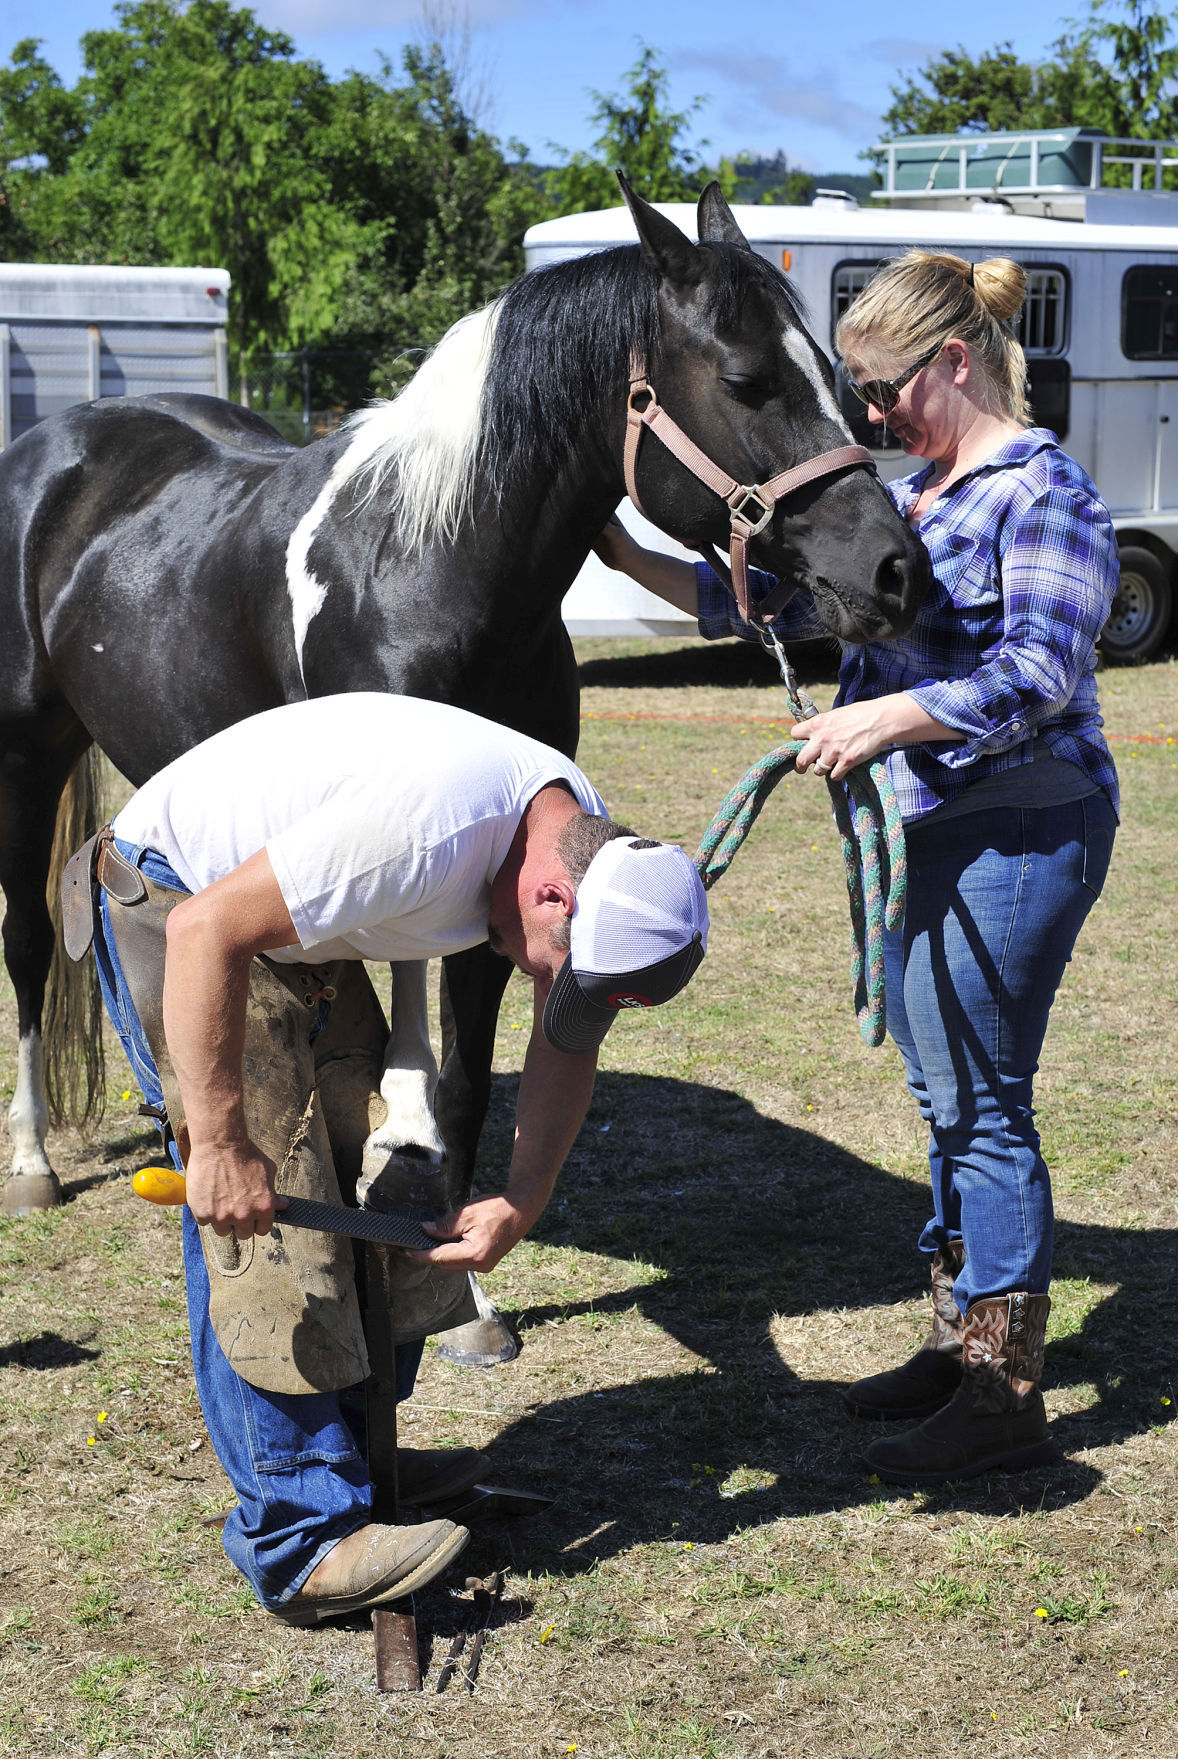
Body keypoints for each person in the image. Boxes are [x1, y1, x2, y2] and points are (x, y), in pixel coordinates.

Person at [594, 250, 1119, 1486]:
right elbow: (759, 612)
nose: (868, 416)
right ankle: (956, 1342)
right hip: (935, 822)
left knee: (985, 1106)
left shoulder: (1041, 493)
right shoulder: (921, 493)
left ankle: (1000, 1389)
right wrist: (621, 561)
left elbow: (1039, 672)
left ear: (951, 362)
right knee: (944, 1100)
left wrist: (881, 721)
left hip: (1023, 823)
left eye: (881, 389)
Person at [75, 692, 708, 1621]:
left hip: (278, 922)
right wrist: (215, 1143)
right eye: (551, 967)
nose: (543, 987)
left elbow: (566, 1046)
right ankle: (300, 1534)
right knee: (269, 1212)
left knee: (389, 1172)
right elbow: (206, 928)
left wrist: (521, 1201)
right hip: (180, 897)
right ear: (551, 896)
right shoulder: (429, 831)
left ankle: (358, 1457)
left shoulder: (593, 848)